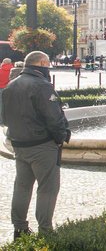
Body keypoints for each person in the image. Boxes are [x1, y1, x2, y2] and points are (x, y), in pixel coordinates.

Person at [2, 51, 71, 239]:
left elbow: (4, 118)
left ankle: (19, 228)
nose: (48, 67)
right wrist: (61, 137)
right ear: (42, 63)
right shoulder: (42, 85)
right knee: (48, 188)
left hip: (19, 144)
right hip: (42, 145)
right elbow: (55, 118)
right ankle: (45, 230)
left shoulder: (10, 86)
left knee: (22, 187)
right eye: (47, 64)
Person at [0, 58, 13, 125]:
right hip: (9, 89)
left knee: (1, 105)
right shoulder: (12, 70)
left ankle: (1, 121)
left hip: (0, 89)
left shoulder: (0, 70)